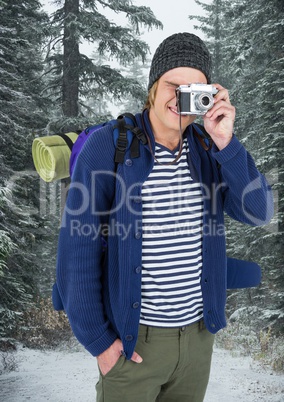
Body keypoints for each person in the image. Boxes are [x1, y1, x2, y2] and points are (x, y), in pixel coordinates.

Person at [56, 33, 274, 402]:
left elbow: (259, 212)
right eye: (173, 86)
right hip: (132, 343)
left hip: (197, 341)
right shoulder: (108, 146)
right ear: (154, 87)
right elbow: (77, 252)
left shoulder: (209, 148)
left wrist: (226, 142)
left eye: (194, 90)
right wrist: (100, 343)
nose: (179, 99)